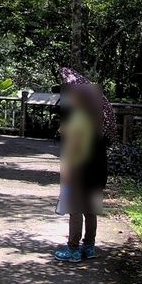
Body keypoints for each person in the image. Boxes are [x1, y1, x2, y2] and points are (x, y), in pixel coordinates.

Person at [54, 84, 109, 262]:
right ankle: (89, 246)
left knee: (75, 209)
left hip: (80, 169)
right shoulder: (99, 118)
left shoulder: (77, 118)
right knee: (91, 209)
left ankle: (73, 249)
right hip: (97, 171)